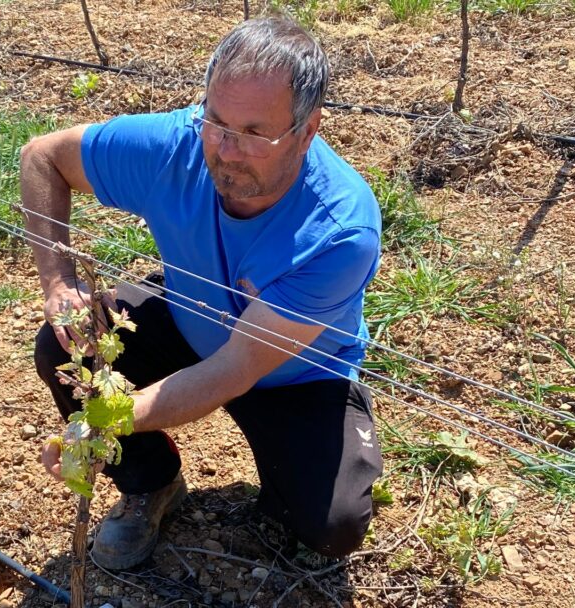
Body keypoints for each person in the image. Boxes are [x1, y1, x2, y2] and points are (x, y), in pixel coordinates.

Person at [20, 15, 383, 571]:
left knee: (330, 526)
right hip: (195, 313)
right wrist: (58, 280)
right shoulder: (178, 145)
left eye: (256, 133)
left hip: (294, 372)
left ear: (309, 131)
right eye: (216, 120)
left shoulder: (338, 231)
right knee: (65, 344)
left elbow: (233, 371)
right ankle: (152, 482)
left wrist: (99, 423)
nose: (227, 150)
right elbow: (42, 157)